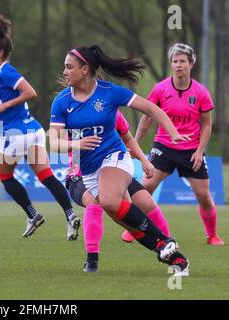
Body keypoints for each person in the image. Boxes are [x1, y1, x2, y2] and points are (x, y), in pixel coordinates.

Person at [49, 45, 191, 275]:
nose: (64, 71)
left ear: (85, 69)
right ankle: (175, 257)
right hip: (88, 171)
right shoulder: (62, 102)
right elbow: (53, 142)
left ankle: (164, 243)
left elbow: (152, 109)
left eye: (69, 66)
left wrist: (173, 133)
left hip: (114, 156)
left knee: (108, 201)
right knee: (128, 222)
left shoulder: (109, 92)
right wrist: (76, 144)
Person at [0, 14, 81, 240]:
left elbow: (31, 92)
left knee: (5, 178)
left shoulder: (6, 71)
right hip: (32, 130)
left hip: (15, 133)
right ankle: (70, 215)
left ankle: (33, 215)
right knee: (45, 175)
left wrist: (5, 105)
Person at [135, 43, 224, 246]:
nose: (178, 65)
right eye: (175, 61)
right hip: (163, 146)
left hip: (191, 150)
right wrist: (135, 144)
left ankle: (212, 235)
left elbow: (207, 125)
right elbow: (147, 118)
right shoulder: (160, 89)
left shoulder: (201, 92)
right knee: (145, 187)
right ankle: (136, 229)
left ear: (191, 63)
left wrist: (200, 151)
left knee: (204, 196)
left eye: (182, 61)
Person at [65, 111, 171, 248]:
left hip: (112, 171)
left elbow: (128, 141)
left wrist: (144, 161)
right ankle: (92, 258)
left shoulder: (114, 113)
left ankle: (168, 244)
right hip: (80, 174)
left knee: (146, 202)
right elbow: (58, 145)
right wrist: (79, 144)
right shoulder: (68, 112)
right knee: (94, 201)